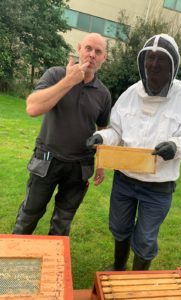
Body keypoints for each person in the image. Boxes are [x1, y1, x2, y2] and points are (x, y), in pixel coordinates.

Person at [86, 33, 181, 270]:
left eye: (160, 64)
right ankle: (119, 267)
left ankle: (137, 280)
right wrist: (101, 137)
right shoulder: (131, 94)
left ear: (172, 67)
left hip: (158, 187)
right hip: (125, 180)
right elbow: (117, 132)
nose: (153, 69)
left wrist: (175, 146)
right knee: (119, 228)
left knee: (145, 239)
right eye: (149, 63)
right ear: (143, 65)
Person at [13, 33, 111, 236]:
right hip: (47, 160)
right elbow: (32, 108)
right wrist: (69, 81)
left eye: (98, 51)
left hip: (79, 167)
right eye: (88, 48)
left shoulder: (103, 94)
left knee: (62, 222)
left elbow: (102, 130)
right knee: (29, 214)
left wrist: (101, 163)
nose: (92, 55)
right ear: (79, 48)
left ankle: (55, 266)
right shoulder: (55, 75)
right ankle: (13, 264)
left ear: (104, 57)